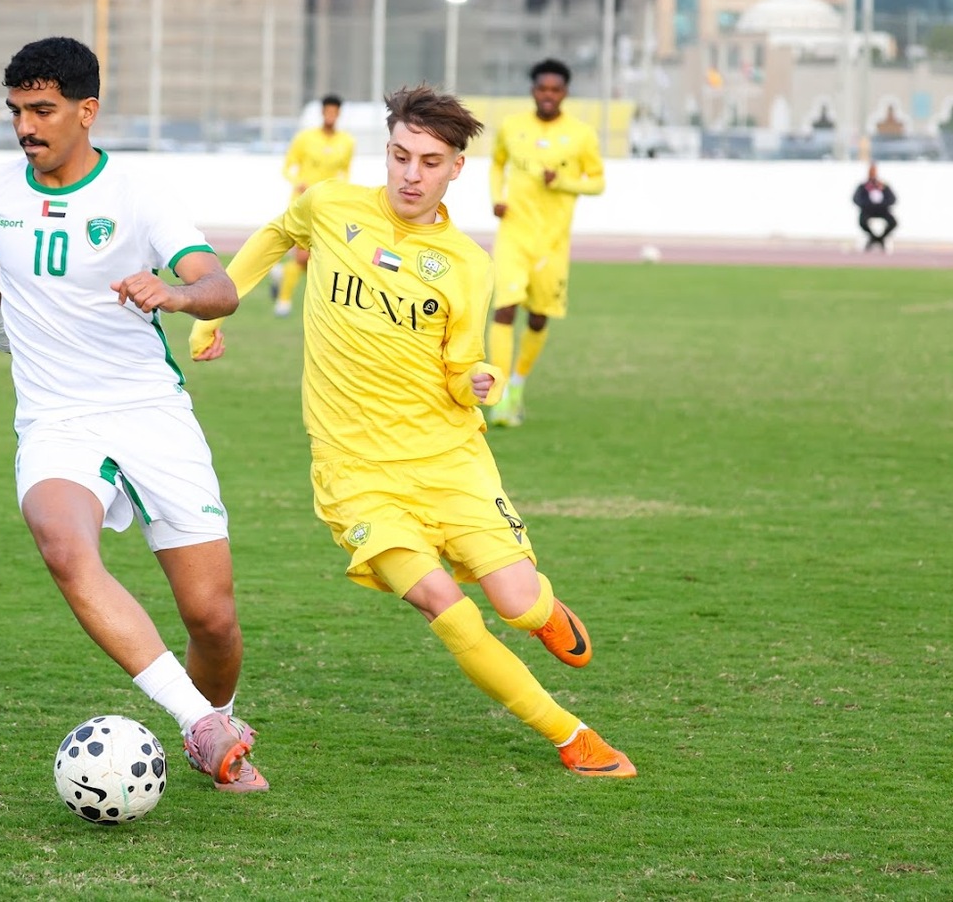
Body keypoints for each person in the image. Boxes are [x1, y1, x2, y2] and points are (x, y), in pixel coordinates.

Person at [189, 85, 636, 779]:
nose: (410, 174)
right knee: (446, 606)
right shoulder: (333, 205)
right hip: (357, 474)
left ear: (457, 167)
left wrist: (477, 380)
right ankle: (569, 733)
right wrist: (213, 311)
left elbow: (460, 370)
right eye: (399, 155)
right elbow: (277, 234)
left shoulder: (467, 264)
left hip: (449, 459)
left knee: (516, 603)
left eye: (429, 161)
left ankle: (541, 609)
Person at [0, 36, 267, 793]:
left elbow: (219, 285)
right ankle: (198, 726)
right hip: (56, 422)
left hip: (150, 416)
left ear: (86, 110)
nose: (26, 127)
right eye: (15, 112)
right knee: (64, 547)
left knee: (212, 619)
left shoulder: (139, 197)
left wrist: (178, 294)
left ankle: (217, 714)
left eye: (43, 110)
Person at [486, 58, 605, 427]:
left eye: (555, 89)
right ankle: (501, 394)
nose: (548, 95)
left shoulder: (581, 135)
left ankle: (519, 383)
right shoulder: (511, 127)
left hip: (552, 243)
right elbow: (496, 164)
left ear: (564, 92)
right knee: (504, 309)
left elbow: (597, 182)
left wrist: (563, 182)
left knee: (538, 318)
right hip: (514, 235)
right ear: (533, 90)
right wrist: (496, 197)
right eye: (542, 89)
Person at [271, 94, 355, 317]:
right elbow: (287, 167)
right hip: (303, 205)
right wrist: (299, 183)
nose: (330, 115)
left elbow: (345, 171)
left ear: (338, 114)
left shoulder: (346, 142)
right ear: (322, 112)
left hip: (328, 206)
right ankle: (284, 302)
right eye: (327, 111)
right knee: (303, 256)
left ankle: (282, 277)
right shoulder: (305, 138)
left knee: (317, 258)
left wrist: (342, 191)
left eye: (334, 112)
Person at [853, 162, 898, 252]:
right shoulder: (863, 186)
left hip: (882, 209)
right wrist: (866, 204)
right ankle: (876, 239)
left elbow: (893, 199)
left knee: (893, 222)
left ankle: (877, 239)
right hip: (868, 209)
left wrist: (883, 204)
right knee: (862, 221)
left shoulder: (883, 185)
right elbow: (856, 199)